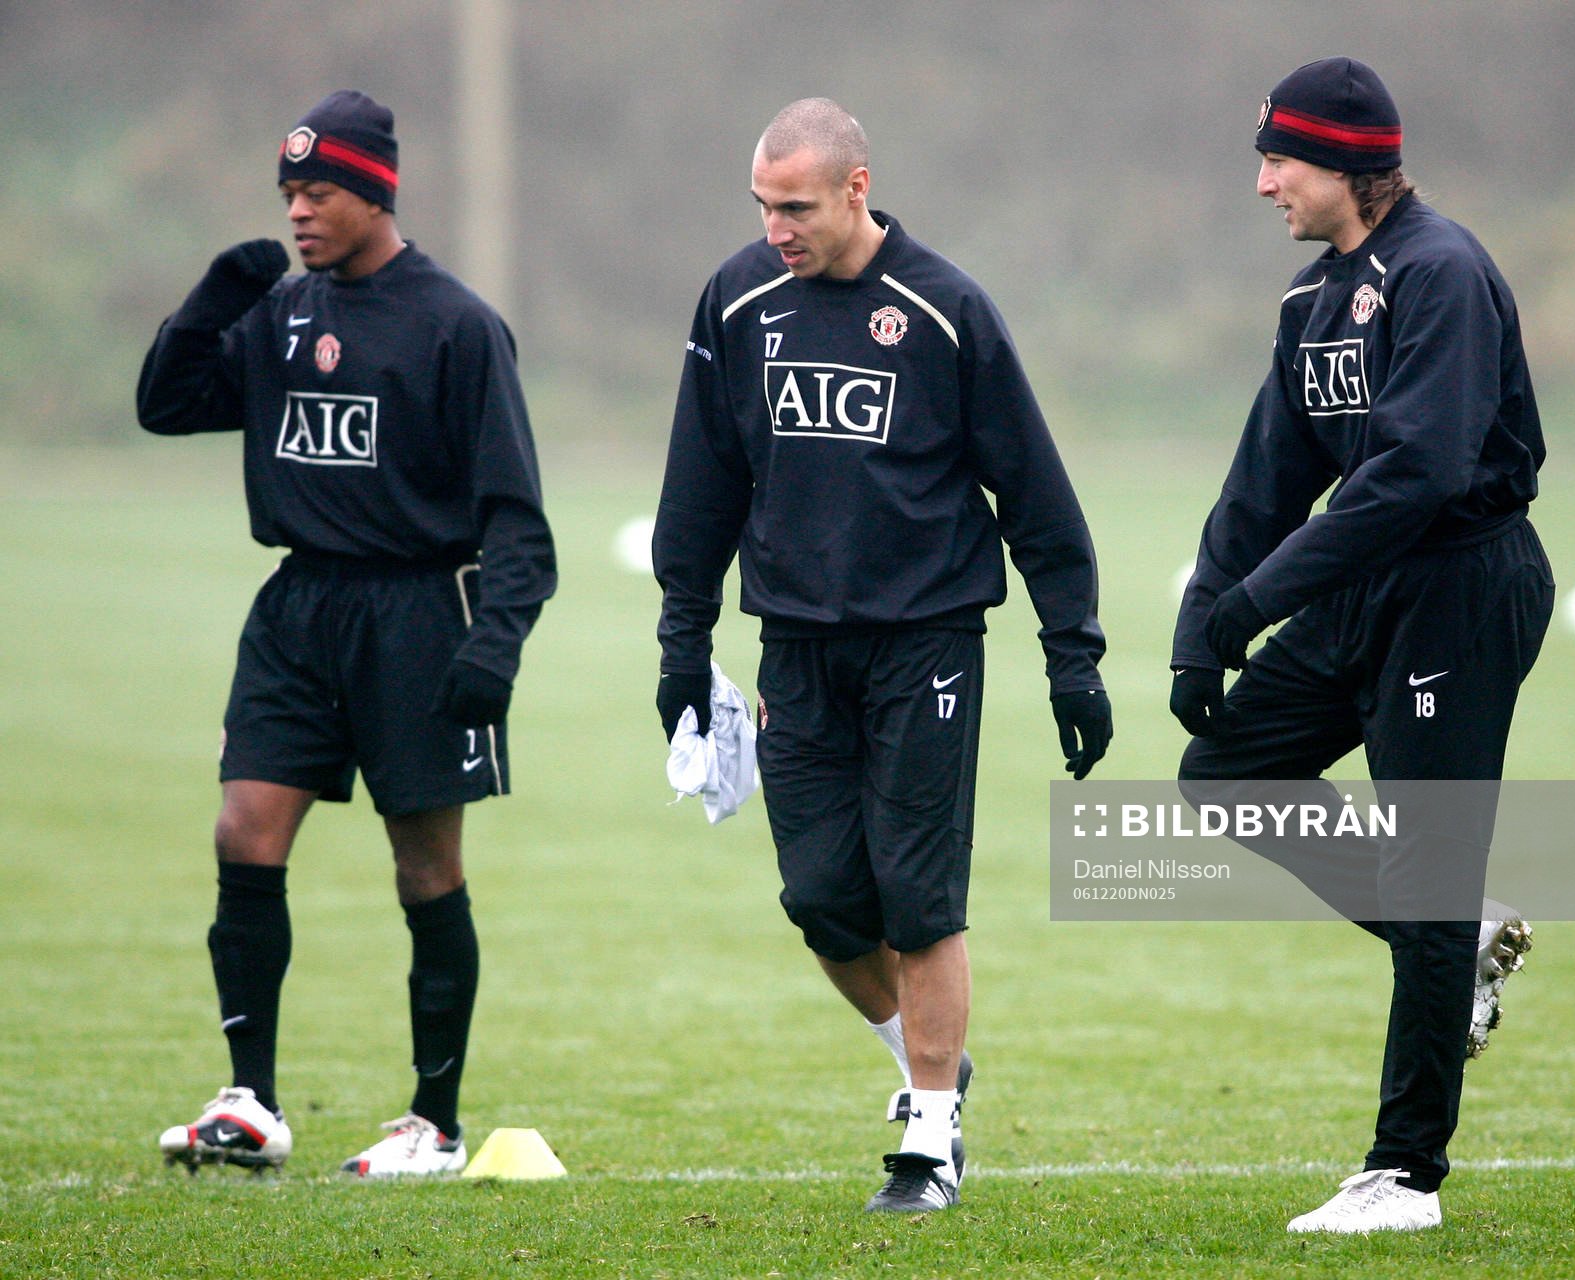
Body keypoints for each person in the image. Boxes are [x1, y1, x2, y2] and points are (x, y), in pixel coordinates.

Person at [653, 98, 1112, 1213]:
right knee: (818, 898)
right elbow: (702, 478)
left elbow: (1036, 493)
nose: (776, 229)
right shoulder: (737, 301)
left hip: (928, 641)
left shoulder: (944, 310)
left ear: (856, 189)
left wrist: (1073, 654)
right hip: (795, 649)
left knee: (917, 892)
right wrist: (682, 636)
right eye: (762, 207)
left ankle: (931, 1137)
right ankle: (931, 1059)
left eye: (795, 207)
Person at [137, 90, 556, 1178]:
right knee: (243, 830)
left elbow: (517, 516)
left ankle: (434, 1120)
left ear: (376, 192)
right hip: (296, 611)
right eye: (288, 195)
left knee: (424, 864)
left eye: (318, 191)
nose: (298, 213)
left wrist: (495, 644)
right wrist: (212, 299)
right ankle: (252, 1101)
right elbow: (166, 402)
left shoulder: (455, 325)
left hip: (419, 615)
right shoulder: (278, 312)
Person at [1169, 58, 1552, 1233]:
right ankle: (1462, 932)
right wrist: (1202, 620)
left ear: (1342, 160)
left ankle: (1404, 1176)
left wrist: (1256, 603)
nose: (1261, 182)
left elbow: (1414, 475)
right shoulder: (1310, 300)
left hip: (1455, 586)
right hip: (1361, 590)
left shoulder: (1442, 273)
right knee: (1223, 777)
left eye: (1277, 158)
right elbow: (1265, 479)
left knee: (1425, 869)